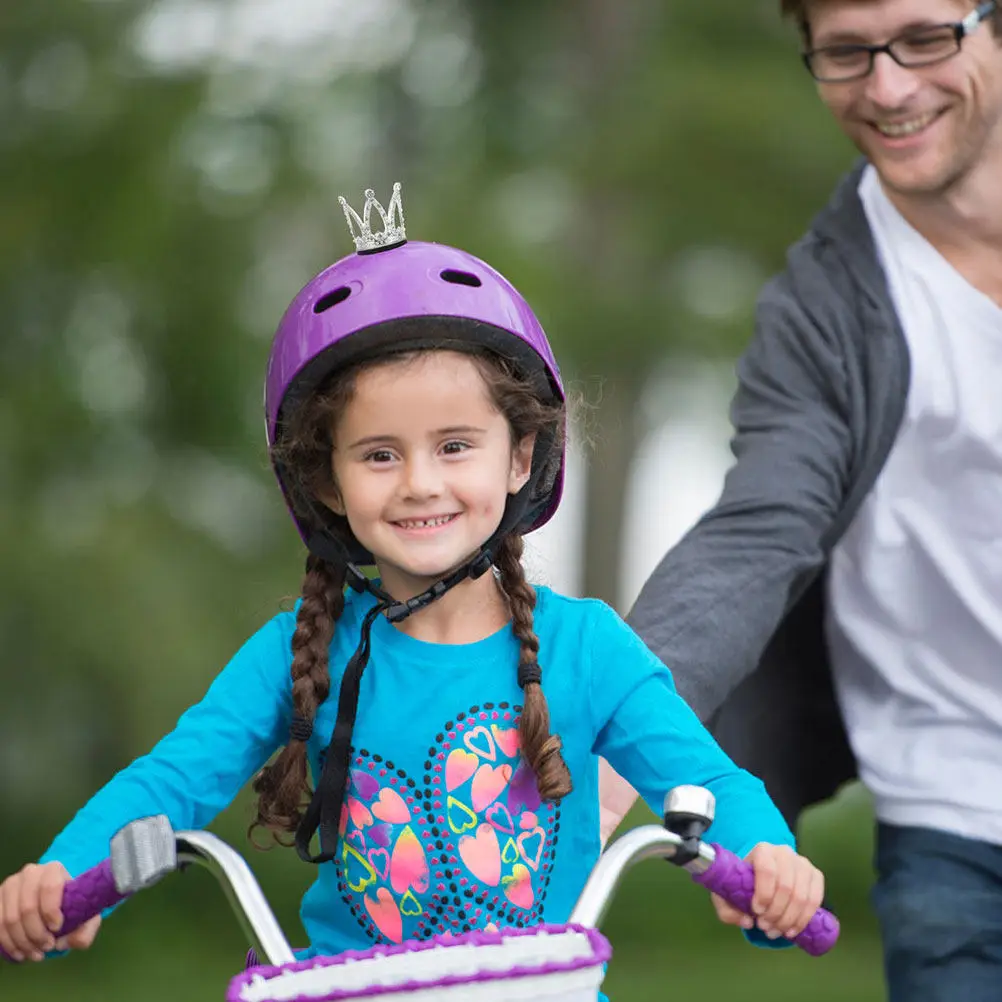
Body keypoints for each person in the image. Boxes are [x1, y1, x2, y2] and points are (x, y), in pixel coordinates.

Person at [0, 183, 826, 970]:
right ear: (326, 482)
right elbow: (171, 781)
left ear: (521, 456)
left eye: (455, 445)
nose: (421, 483)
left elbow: (709, 780)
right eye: (380, 454)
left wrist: (767, 865)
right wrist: (66, 878)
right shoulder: (296, 651)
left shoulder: (589, 650)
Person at [599, 0, 1002, 999]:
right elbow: (754, 537)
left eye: (925, 38)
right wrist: (605, 725)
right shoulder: (823, 311)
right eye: (845, 52)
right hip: (957, 818)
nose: (889, 86)